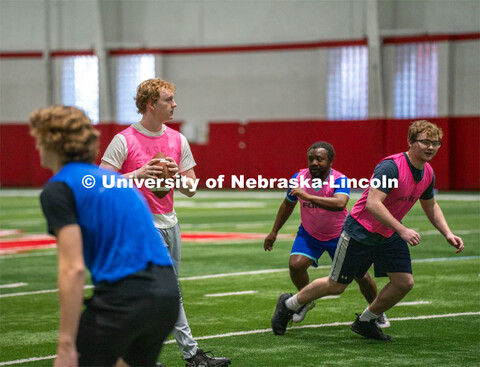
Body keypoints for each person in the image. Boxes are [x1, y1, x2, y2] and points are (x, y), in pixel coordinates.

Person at [271, 120, 464, 340]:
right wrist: (402, 229)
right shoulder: (390, 167)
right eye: (425, 142)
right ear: (410, 142)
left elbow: (431, 205)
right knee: (336, 286)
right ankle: (289, 304)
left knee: (404, 282)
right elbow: (373, 204)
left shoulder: (427, 172)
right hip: (361, 232)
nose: (431, 147)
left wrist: (447, 233)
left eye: (436, 143)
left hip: (388, 234)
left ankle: (366, 320)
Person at [30, 105, 180, 367]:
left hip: (124, 298)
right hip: (166, 297)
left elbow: (73, 269)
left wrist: (66, 344)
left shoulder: (59, 188)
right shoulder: (121, 184)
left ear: (51, 143)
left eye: (38, 140)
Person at [100, 79, 231, 367]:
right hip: (139, 226)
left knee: (151, 295)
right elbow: (99, 184)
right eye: (168, 100)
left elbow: (192, 187)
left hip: (171, 224)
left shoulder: (177, 139)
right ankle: (192, 355)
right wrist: (139, 173)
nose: (174, 105)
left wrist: (173, 178)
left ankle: (132, 355)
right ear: (150, 104)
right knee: (170, 291)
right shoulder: (124, 140)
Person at [264, 142, 389, 327]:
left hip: (340, 235)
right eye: (311, 159)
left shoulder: (340, 179)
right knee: (296, 265)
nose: (314, 163)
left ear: (330, 160)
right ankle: (304, 300)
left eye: (319, 159)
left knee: (361, 276)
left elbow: (339, 203)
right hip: (309, 234)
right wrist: (274, 231)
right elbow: (288, 204)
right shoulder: (298, 177)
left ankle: (377, 310)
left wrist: (307, 197)